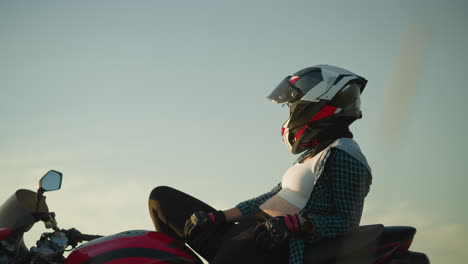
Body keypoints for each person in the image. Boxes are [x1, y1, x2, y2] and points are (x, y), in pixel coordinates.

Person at [148, 64, 372, 264]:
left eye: (293, 107)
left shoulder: (345, 153)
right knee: (160, 199)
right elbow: (270, 197)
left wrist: (297, 225)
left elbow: (347, 223)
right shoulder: (313, 155)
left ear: (315, 106)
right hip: (238, 233)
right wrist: (219, 217)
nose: (290, 114)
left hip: (265, 247)